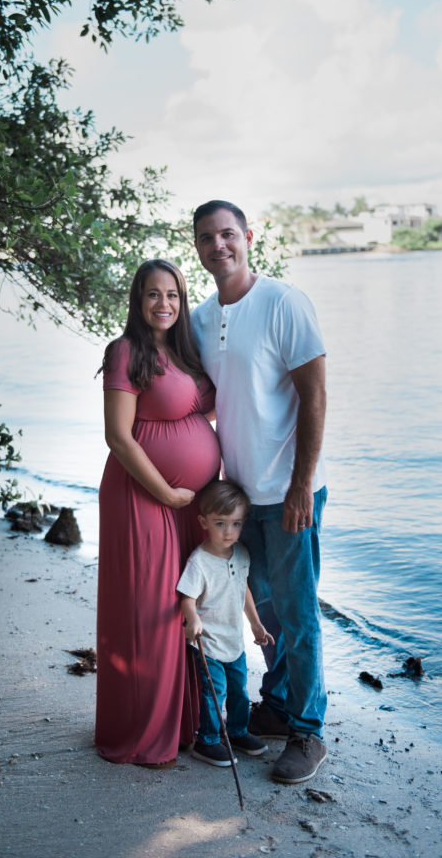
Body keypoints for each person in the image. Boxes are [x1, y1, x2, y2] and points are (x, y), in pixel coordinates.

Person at [190, 200, 328, 785]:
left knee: (297, 612)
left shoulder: (284, 302)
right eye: (206, 238)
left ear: (248, 237)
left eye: (227, 234)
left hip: (290, 490)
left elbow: (315, 397)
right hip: (239, 498)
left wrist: (301, 484)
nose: (218, 245)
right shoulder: (198, 318)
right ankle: (277, 702)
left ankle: (307, 730)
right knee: (266, 607)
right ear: (196, 248)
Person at [96, 258, 221, 768]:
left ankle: (188, 723)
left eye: (172, 294)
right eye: (152, 294)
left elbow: (203, 411)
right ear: (137, 300)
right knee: (150, 612)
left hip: (191, 504)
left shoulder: (187, 350)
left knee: (187, 607)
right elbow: (118, 437)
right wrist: (167, 494)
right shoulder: (125, 351)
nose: (163, 304)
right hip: (143, 498)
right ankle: (145, 735)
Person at [177, 479, 274, 767]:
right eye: (220, 524)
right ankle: (207, 741)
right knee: (214, 692)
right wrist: (192, 619)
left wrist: (256, 625)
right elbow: (187, 597)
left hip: (235, 640)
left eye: (236, 524)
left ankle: (237, 732)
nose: (229, 532)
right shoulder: (199, 561)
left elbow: (243, 589)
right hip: (208, 642)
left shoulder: (241, 552)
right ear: (203, 521)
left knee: (240, 691)